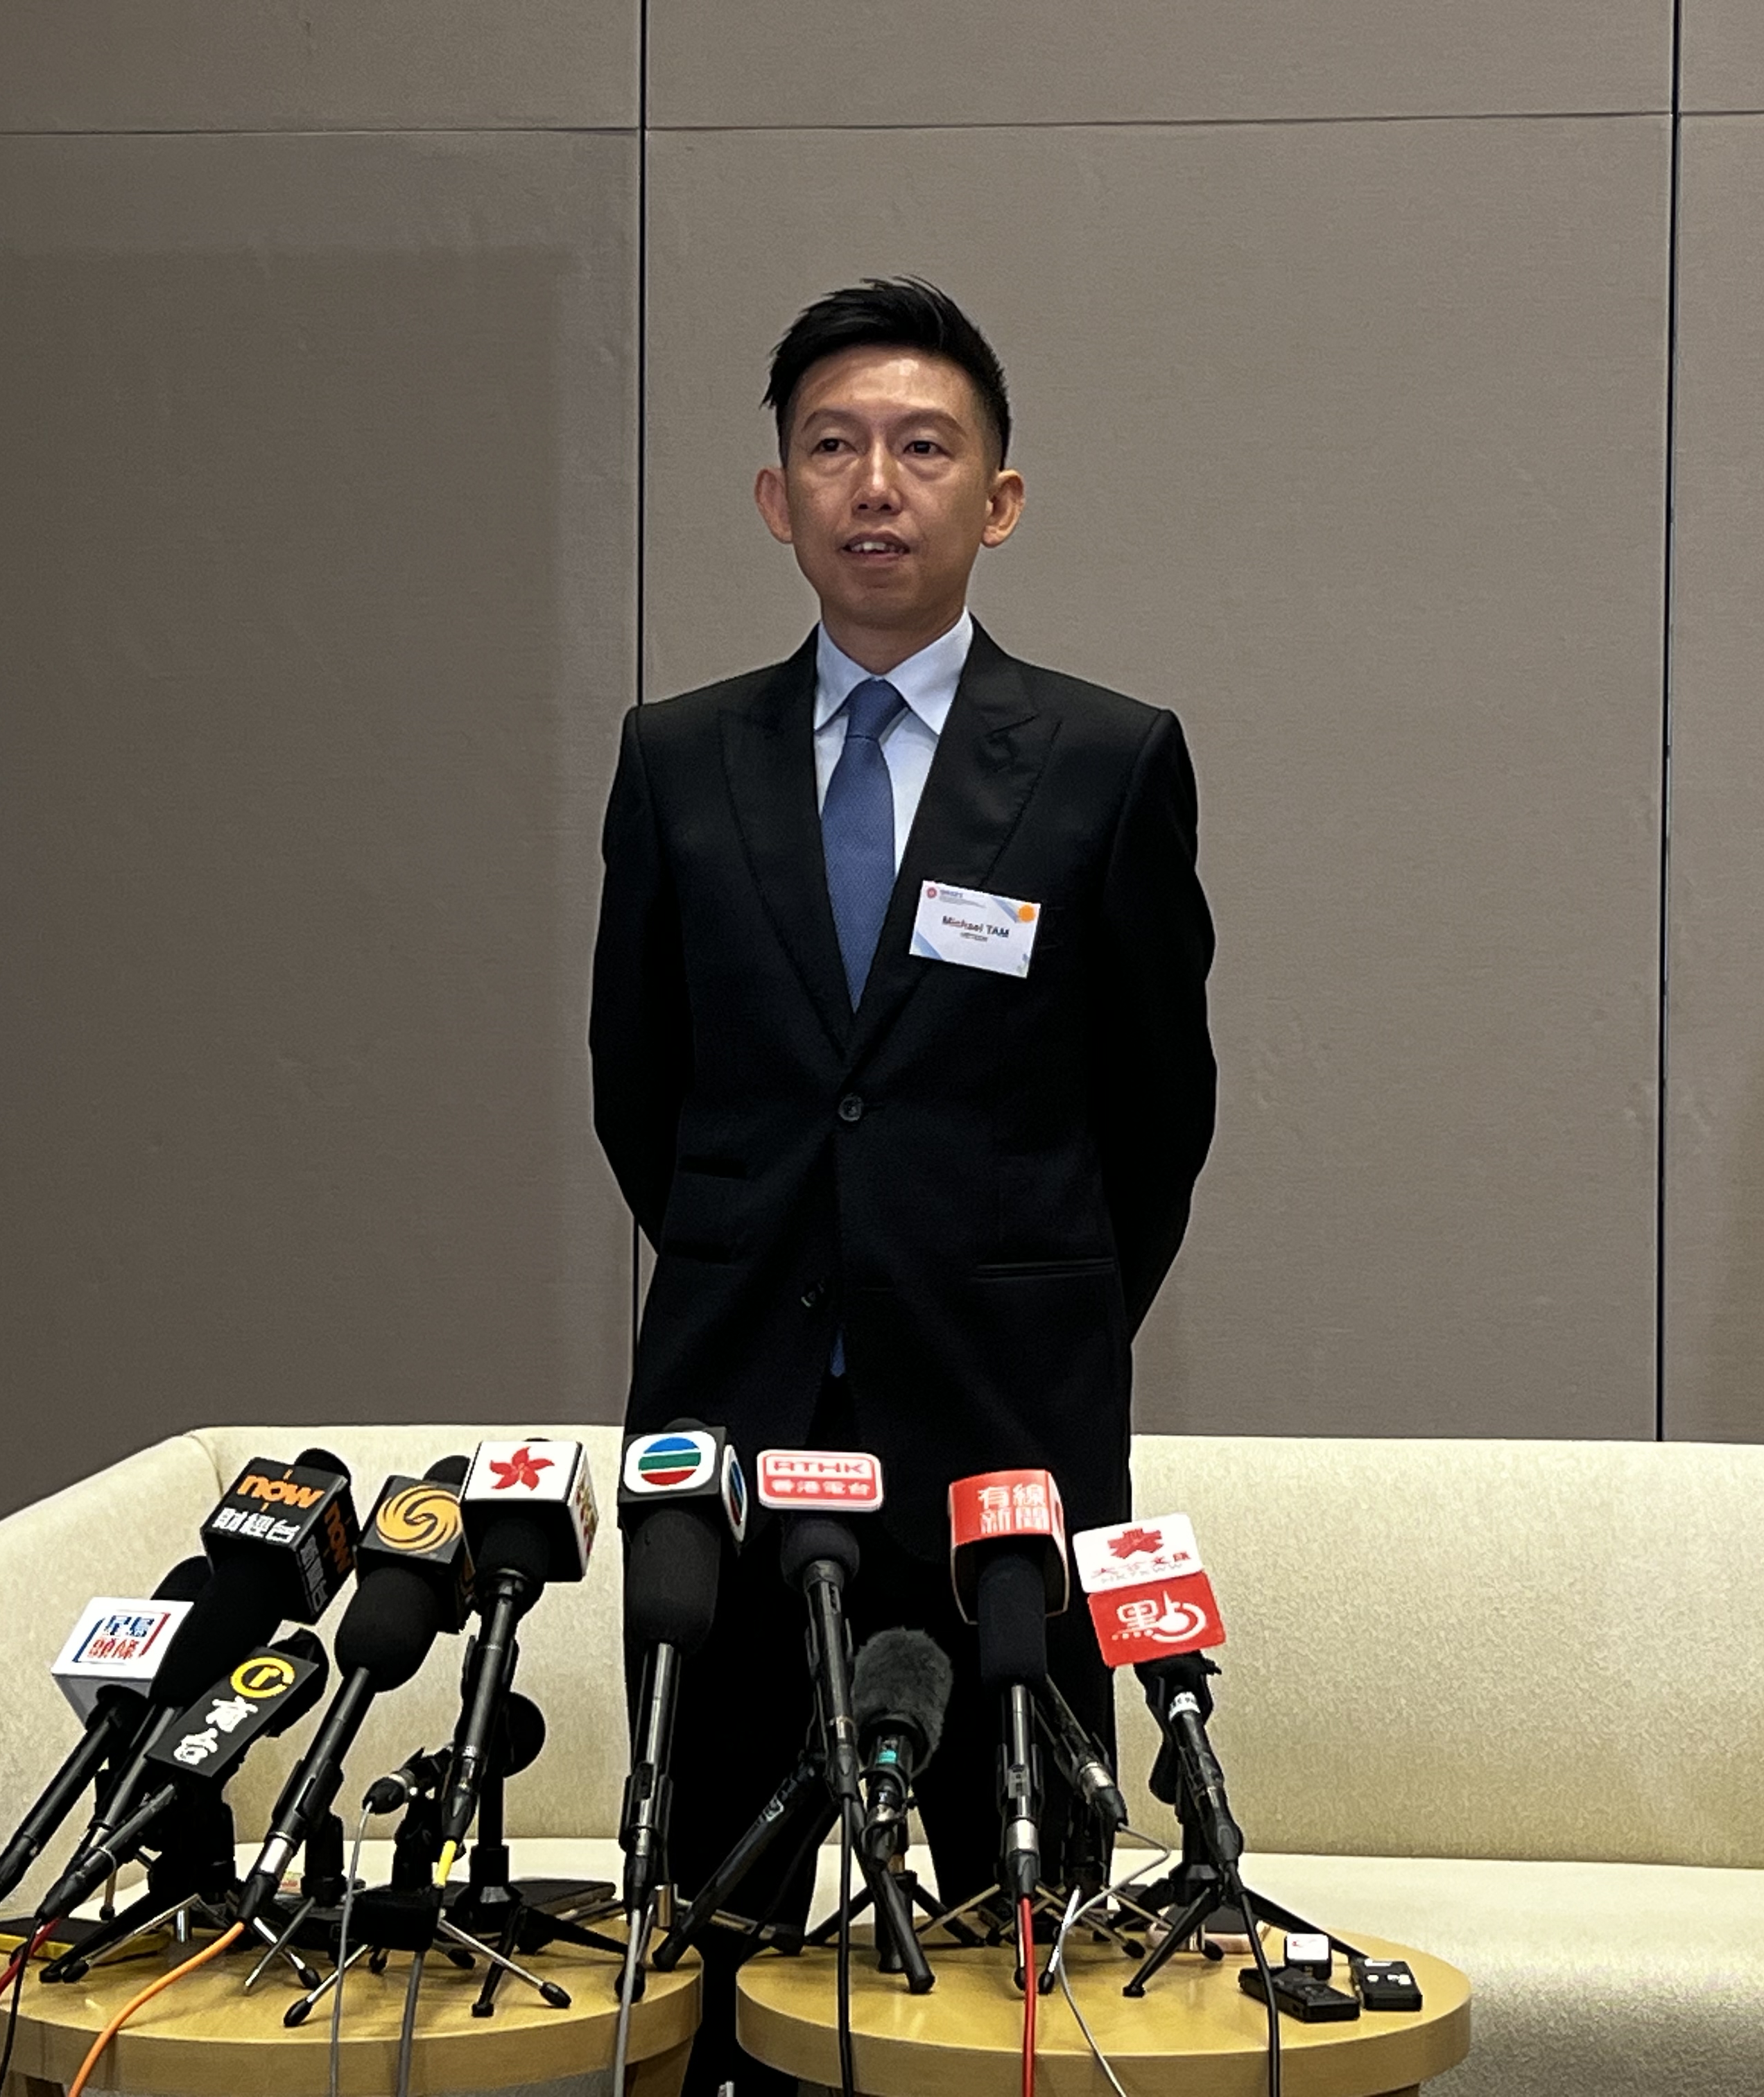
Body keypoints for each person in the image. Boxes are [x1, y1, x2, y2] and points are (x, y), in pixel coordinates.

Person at [589, 276, 1216, 2095]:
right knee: (709, 1929)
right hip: (734, 1419)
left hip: (1005, 1440)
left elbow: (1156, 1113)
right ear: (775, 496)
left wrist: (1020, 1301)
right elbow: (641, 1089)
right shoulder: (678, 759)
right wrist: (789, 1263)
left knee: (1023, 1950)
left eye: (924, 448)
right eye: (834, 447)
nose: (877, 484)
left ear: (996, 500)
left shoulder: (1105, 762)